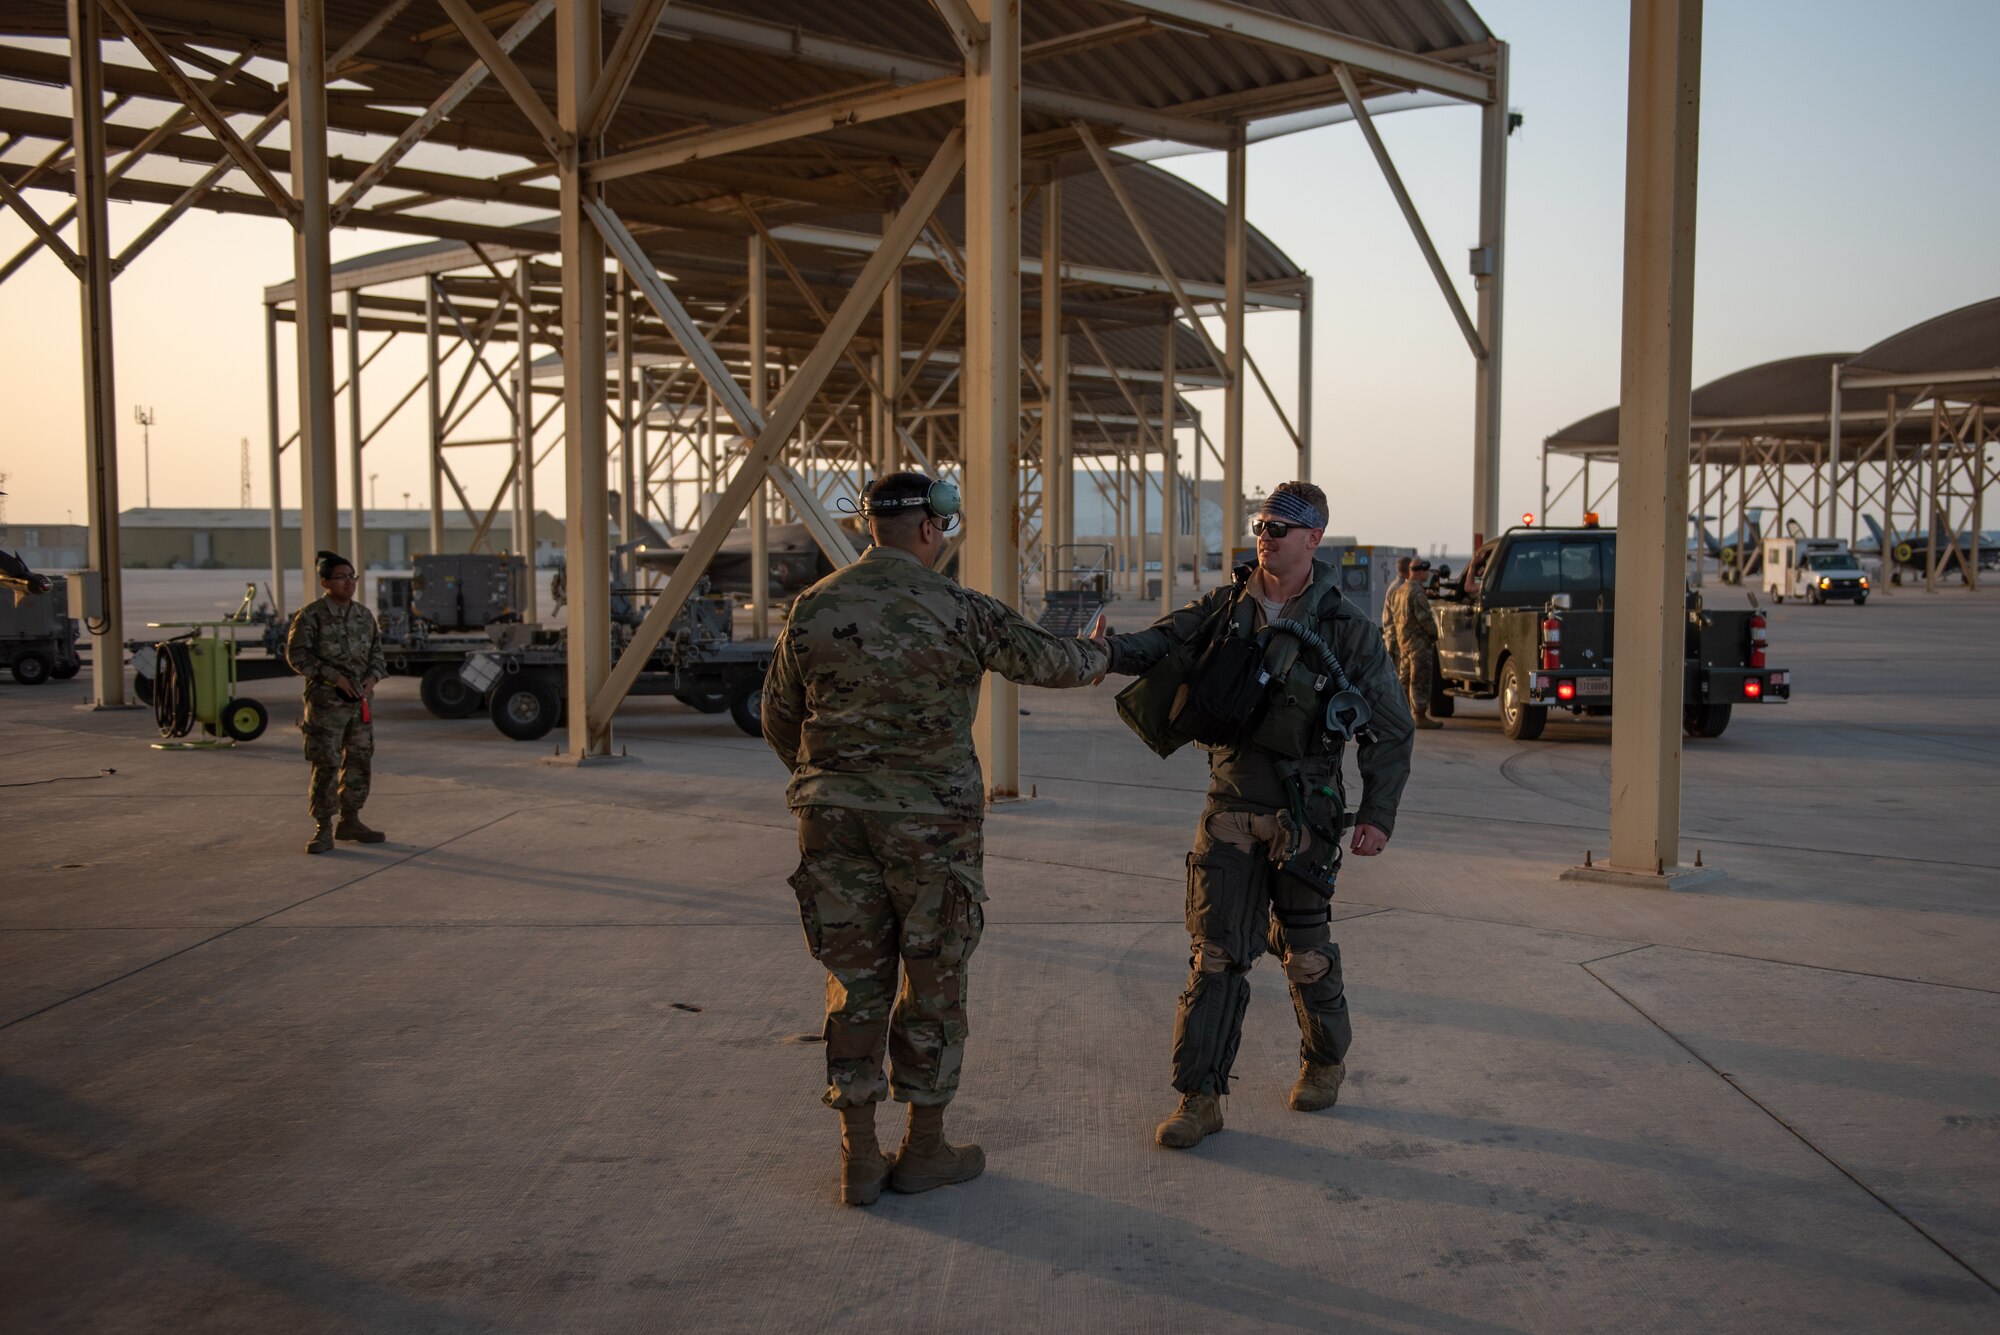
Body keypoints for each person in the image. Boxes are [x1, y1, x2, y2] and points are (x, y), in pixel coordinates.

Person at [762, 472, 1110, 1206]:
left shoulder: (814, 607)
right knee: (934, 976)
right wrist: (1098, 653)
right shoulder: (959, 608)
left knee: (854, 980)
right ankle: (923, 1148)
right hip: (933, 828)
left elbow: (778, 717)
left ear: (870, 530)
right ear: (928, 530)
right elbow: (1052, 663)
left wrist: (833, 776)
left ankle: (858, 1156)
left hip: (834, 820)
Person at [1098, 481, 1414, 1150]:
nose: (1266, 535)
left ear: (1314, 538)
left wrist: (1377, 813)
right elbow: (1162, 642)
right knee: (1215, 954)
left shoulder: (1346, 629)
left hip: (1307, 814)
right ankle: (1199, 1096)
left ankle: (1325, 1058)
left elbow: (1390, 727)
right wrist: (1106, 651)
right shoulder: (1225, 607)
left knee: (1304, 955)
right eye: (1263, 523)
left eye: (1281, 526)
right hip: (1232, 805)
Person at [285, 551, 387, 854]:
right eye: (342, 577)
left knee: (359, 761)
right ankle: (323, 828)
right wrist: (334, 678)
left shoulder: (363, 616)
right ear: (326, 582)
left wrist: (373, 678)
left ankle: (351, 819)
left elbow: (377, 655)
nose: (349, 583)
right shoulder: (311, 616)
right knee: (326, 764)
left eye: (352, 577)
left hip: (360, 705)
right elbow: (297, 656)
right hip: (326, 705)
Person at [1394, 560, 1444, 729]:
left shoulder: (1399, 591)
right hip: (1418, 643)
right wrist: (1435, 634)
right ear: (1419, 571)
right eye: (1426, 571)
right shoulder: (1416, 592)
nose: (1427, 574)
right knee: (1420, 678)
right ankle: (1420, 715)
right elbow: (1425, 618)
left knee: (1405, 679)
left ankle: (1401, 714)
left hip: (1404, 642)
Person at [1381, 555, 1414, 672]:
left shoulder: (1396, 585)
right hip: (1396, 640)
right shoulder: (1399, 588)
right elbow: (1400, 617)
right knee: (1399, 674)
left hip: (1393, 637)